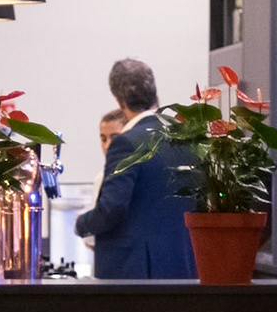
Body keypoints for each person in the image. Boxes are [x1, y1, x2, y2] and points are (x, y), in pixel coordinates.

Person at [75, 58, 194, 279]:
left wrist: (81, 224)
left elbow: (112, 209)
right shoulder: (185, 141)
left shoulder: (126, 143)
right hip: (183, 267)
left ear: (119, 101)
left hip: (134, 273)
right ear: (154, 93)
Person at [82, 108, 129, 251]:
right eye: (103, 139)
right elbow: (90, 238)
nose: (108, 145)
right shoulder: (101, 178)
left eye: (115, 138)